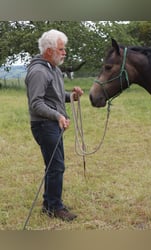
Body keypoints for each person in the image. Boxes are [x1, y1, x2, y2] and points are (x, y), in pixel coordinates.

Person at [25, 29, 84, 221]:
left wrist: (73, 96)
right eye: (61, 49)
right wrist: (57, 115)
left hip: (52, 124)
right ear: (49, 51)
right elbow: (36, 103)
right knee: (56, 166)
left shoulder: (54, 70)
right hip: (44, 125)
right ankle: (56, 208)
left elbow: (56, 97)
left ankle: (49, 204)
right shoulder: (39, 71)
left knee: (54, 166)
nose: (64, 52)